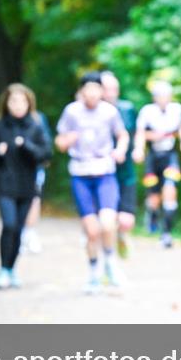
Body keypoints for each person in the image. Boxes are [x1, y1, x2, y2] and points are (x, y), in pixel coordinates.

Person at [55, 72, 130, 294]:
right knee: (92, 230)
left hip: (105, 172)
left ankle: (110, 262)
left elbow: (123, 135)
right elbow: (59, 141)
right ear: (81, 91)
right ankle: (94, 272)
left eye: (96, 88)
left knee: (108, 223)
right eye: (87, 89)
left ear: (101, 91)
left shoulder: (109, 112)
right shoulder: (72, 112)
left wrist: (120, 150)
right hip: (80, 173)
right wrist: (67, 140)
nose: (92, 93)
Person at [0, 83, 51, 289]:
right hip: (4, 184)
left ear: (29, 103)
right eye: (13, 101)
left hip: (27, 185)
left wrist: (27, 147)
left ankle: (11, 270)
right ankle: (2, 269)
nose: (18, 105)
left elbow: (46, 154)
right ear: (6, 103)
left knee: (19, 229)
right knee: (9, 224)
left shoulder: (36, 126)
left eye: (22, 101)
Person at [133, 81, 181, 248]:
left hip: (170, 156)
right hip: (153, 158)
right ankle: (152, 213)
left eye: (166, 96)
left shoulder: (176, 109)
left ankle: (166, 233)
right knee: (153, 197)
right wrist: (139, 148)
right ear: (154, 98)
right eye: (160, 96)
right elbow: (140, 133)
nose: (164, 99)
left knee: (170, 190)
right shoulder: (147, 111)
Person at [100, 70, 138, 258]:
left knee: (126, 221)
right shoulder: (92, 113)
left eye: (115, 88)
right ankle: (109, 254)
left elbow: (138, 132)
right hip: (102, 173)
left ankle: (122, 235)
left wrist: (138, 149)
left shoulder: (127, 108)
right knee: (107, 218)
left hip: (125, 171)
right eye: (107, 89)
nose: (111, 93)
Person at [20, 109, 52, 255]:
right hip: (12, 170)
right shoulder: (6, 121)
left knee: (34, 199)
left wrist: (44, 157)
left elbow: (46, 142)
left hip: (35, 167)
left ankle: (29, 233)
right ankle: (19, 234)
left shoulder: (39, 118)